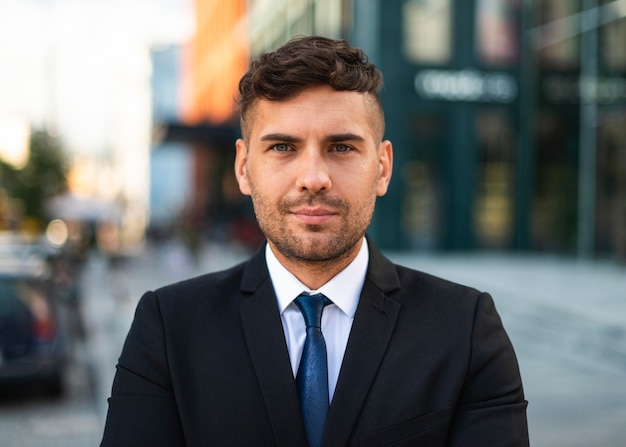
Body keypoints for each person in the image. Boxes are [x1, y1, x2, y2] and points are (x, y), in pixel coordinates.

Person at [100, 35, 529, 446]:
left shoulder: (465, 328)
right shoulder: (170, 328)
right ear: (244, 168)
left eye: (341, 148)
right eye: (283, 147)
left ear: (382, 168)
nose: (313, 179)